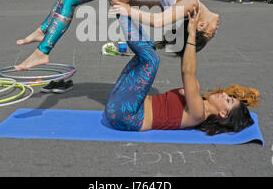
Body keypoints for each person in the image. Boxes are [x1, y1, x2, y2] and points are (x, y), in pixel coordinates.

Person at [13, 0, 220, 71]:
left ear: (200, 27)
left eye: (212, 34)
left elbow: (158, 21)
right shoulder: (191, 0)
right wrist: (133, 3)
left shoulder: (191, 5)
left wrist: (128, 9)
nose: (216, 28)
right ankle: (43, 31)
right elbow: (159, 3)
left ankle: (43, 51)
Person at [104, 8, 256, 134]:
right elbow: (187, 62)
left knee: (151, 59)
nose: (224, 94)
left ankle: (120, 9)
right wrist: (193, 33)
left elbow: (187, 72)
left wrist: (191, 33)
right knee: (149, 48)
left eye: (228, 100)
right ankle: (122, 8)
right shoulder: (196, 95)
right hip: (125, 106)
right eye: (229, 96)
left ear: (223, 114)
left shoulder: (198, 113)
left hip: (126, 115)